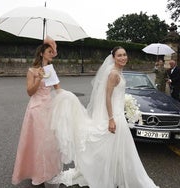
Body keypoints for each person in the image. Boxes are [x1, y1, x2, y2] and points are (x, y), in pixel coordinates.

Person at [49, 46, 159, 188]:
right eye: (119, 55)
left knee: (117, 150)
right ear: (113, 58)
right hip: (114, 117)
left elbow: (115, 95)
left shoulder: (118, 72)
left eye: (124, 55)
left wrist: (124, 103)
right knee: (115, 150)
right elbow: (107, 97)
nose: (123, 57)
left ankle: (112, 176)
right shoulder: (113, 74)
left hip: (118, 114)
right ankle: (106, 177)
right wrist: (111, 119)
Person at [11, 38, 62, 187]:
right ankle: (36, 173)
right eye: (49, 52)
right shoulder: (32, 71)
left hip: (49, 108)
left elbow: (58, 89)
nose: (52, 54)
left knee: (49, 142)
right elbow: (29, 92)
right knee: (36, 142)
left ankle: (47, 171)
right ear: (41, 54)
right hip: (36, 110)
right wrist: (38, 79)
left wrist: (66, 100)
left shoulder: (51, 70)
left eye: (53, 52)